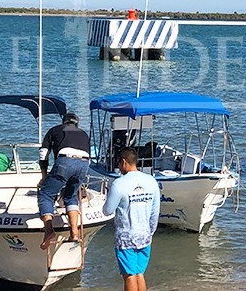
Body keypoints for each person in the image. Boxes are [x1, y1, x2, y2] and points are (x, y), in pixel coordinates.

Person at [103, 147, 161, 291]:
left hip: (126, 236)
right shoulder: (151, 181)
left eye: (118, 163)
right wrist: (150, 231)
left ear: (123, 162)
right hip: (145, 234)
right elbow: (155, 211)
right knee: (139, 273)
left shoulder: (119, 183)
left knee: (129, 275)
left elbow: (107, 210)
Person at [37, 111, 91, 250]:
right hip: (84, 164)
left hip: (65, 160)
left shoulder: (55, 130)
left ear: (64, 122)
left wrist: (44, 177)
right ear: (76, 124)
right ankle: (74, 232)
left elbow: (44, 153)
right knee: (71, 196)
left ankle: (49, 231)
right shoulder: (83, 134)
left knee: (46, 194)